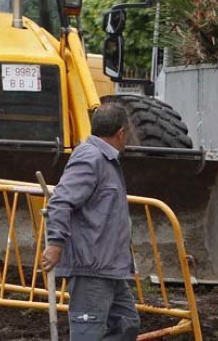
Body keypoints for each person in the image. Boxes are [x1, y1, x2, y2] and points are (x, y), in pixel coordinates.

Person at [41, 103, 140, 341]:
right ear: (121, 133)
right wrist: (55, 243)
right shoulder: (90, 157)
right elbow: (61, 200)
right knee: (89, 333)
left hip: (109, 268)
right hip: (91, 268)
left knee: (127, 324)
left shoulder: (106, 160)